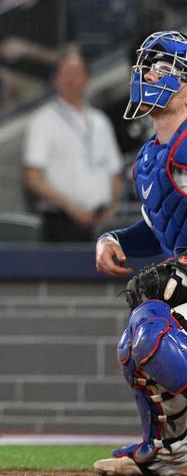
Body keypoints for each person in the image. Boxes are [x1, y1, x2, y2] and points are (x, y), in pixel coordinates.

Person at [94, 30, 187, 476]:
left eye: (166, 67)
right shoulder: (150, 157)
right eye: (149, 65)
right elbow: (159, 229)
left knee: (150, 328)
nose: (151, 73)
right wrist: (115, 240)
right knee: (136, 342)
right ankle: (172, 449)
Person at [22, 50, 123, 242]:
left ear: (87, 79)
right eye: (66, 74)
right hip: (61, 220)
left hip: (102, 219)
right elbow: (33, 177)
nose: (72, 80)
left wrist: (112, 208)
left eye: (77, 74)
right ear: (56, 79)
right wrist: (71, 207)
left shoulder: (100, 121)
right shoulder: (43, 120)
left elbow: (115, 172)